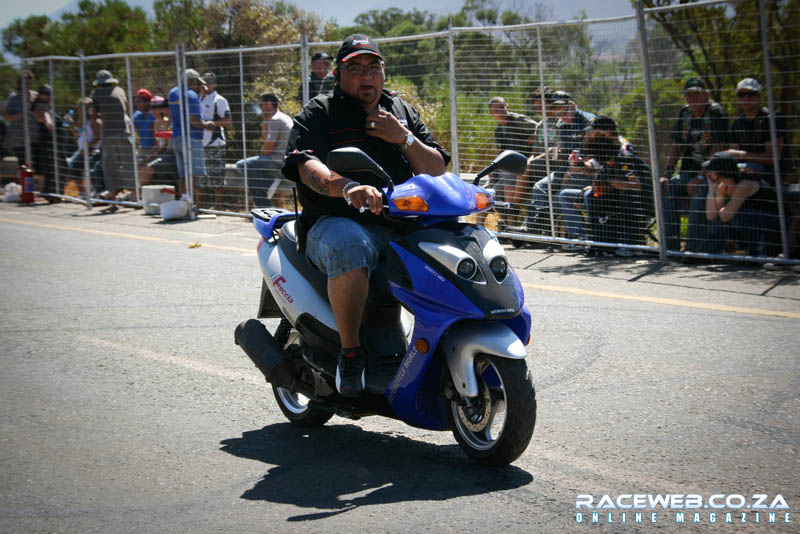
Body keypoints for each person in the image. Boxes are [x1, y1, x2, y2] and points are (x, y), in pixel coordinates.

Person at [282, 34, 449, 397]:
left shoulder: (400, 112)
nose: (366, 76)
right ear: (339, 74)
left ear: (383, 72)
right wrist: (346, 187)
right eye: (355, 69)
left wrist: (402, 138)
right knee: (351, 246)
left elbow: (437, 171)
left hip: (399, 224)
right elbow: (306, 165)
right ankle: (351, 352)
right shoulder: (321, 111)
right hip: (334, 223)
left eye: (373, 67)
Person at [660, 77, 730, 251]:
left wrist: (700, 177)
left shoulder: (716, 113)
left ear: (705, 95)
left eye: (697, 95)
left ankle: (692, 249)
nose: (693, 100)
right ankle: (671, 249)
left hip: (713, 175)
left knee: (700, 193)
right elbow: (676, 147)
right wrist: (667, 174)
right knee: (667, 189)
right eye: (689, 96)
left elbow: (718, 148)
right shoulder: (685, 113)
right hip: (688, 172)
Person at [578, 116, 653, 256]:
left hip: (643, 199)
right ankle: (600, 243)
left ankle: (631, 245)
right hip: (617, 194)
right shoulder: (605, 153)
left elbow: (636, 185)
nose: (591, 135)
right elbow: (602, 174)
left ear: (606, 133)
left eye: (595, 132)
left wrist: (610, 181)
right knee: (592, 195)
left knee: (627, 195)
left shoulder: (624, 151)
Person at [697, 151, 780, 256]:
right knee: (725, 218)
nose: (708, 174)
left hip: (776, 225)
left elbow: (725, 216)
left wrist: (723, 210)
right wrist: (711, 189)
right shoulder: (723, 187)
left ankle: (763, 251)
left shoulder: (745, 184)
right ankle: (705, 252)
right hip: (755, 223)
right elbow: (711, 215)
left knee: (737, 216)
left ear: (721, 173)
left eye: (711, 171)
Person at [478, 96, 536, 229]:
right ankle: (478, 228)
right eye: (496, 109)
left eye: (502, 107)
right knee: (485, 192)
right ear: (491, 113)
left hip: (521, 166)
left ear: (507, 107)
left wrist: (531, 140)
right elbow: (500, 153)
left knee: (508, 181)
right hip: (506, 170)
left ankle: (511, 228)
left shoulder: (517, 120)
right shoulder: (498, 130)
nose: (500, 111)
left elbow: (537, 128)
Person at [728, 77, 791, 185]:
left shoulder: (770, 120)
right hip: (743, 169)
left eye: (751, 94)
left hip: (769, 173)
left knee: (744, 178)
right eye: (741, 95)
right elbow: (733, 153)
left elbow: (772, 158)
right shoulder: (737, 123)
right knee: (717, 174)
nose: (746, 98)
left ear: (759, 97)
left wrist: (742, 155)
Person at [235, 92, 292, 208]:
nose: (260, 108)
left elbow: (267, 149)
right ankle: (267, 193)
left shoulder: (275, 120)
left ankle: (268, 191)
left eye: (261, 105)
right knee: (252, 176)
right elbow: (266, 140)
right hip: (284, 158)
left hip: (277, 160)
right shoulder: (282, 117)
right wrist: (265, 122)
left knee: (241, 165)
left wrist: (262, 154)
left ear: (269, 104)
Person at [90, 69, 134, 209]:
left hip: (108, 133)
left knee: (110, 167)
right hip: (123, 132)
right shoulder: (120, 90)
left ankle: (113, 201)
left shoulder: (95, 94)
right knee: (129, 165)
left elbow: (94, 114)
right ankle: (135, 198)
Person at [168, 69, 216, 198]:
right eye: (197, 82)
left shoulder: (173, 93)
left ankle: (183, 202)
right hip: (191, 138)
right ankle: (190, 203)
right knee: (193, 175)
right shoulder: (191, 95)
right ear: (192, 81)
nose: (198, 86)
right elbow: (194, 120)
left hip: (176, 137)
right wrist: (208, 125)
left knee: (183, 174)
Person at [199, 72, 232, 207]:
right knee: (200, 174)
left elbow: (228, 120)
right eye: (204, 82)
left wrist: (209, 124)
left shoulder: (219, 100)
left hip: (214, 143)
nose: (206, 85)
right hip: (200, 143)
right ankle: (199, 204)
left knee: (217, 174)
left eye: (209, 82)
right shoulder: (198, 99)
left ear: (214, 84)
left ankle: (218, 205)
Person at [139, 96, 179, 190]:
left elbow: (165, 144)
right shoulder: (155, 123)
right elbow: (156, 144)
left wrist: (155, 154)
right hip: (161, 153)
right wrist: (150, 154)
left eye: (158, 108)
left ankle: (135, 193)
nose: (155, 110)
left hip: (169, 154)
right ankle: (135, 191)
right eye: (152, 108)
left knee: (148, 167)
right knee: (141, 165)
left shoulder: (170, 122)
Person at [2, 70, 37, 168]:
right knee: (24, 166)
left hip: (34, 138)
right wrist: (18, 116)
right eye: (25, 83)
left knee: (35, 165)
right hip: (19, 140)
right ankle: (25, 183)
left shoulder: (35, 96)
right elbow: (6, 116)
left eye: (29, 83)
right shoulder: (14, 97)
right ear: (20, 84)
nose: (27, 85)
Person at [132, 88, 156, 191]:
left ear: (147, 102)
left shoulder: (154, 114)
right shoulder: (137, 115)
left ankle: (136, 192)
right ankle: (134, 191)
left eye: (139, 101)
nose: (136, 104)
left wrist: (151, 153)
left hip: (154, 148)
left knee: (144, 167)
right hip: (142, 148)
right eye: (136, 101)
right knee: (135, 166)